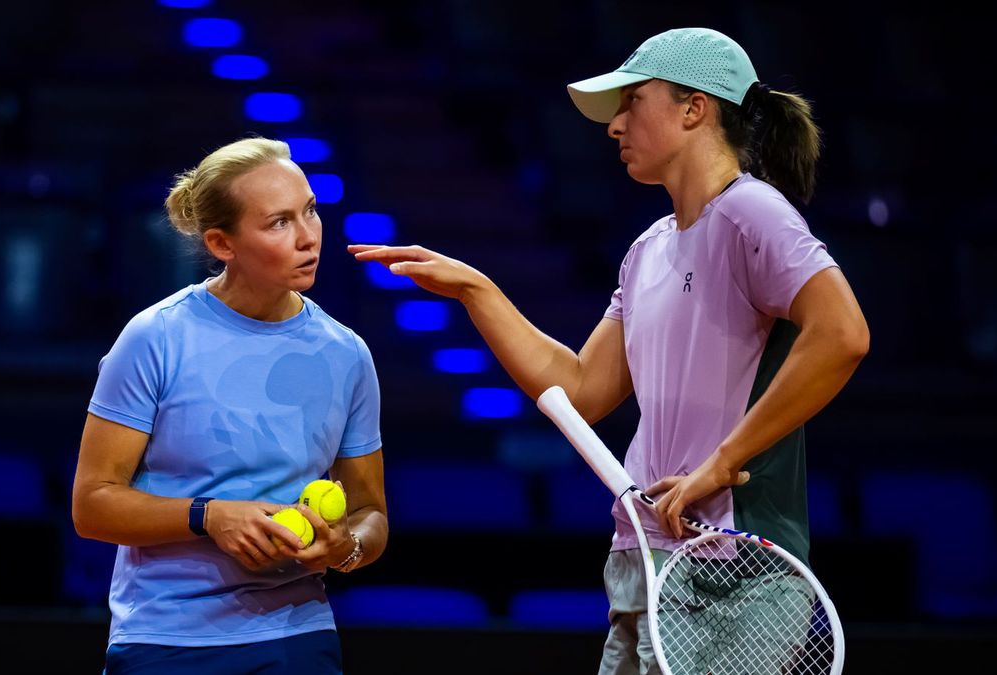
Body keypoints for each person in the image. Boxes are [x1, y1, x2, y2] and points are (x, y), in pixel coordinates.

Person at [351, 27, 867, 675]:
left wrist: (721, 461)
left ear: (693, 107)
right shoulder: (647, 250)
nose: (614, 125)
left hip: (735, 568)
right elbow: (581, 387)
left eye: (632, 102)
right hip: (644, 562)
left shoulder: (751, 215)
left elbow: (843, 334)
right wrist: (475, 291)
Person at [72, 137, 387, 675]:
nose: (309, 237)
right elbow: (93, 505)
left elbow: (371, 514)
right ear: (222, 243)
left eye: (310, 210)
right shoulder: (156, 337)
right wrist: (208, 516)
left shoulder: (346, 354)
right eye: (279, 223)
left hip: (299, 636)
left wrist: (342, 547)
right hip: (166, 639)